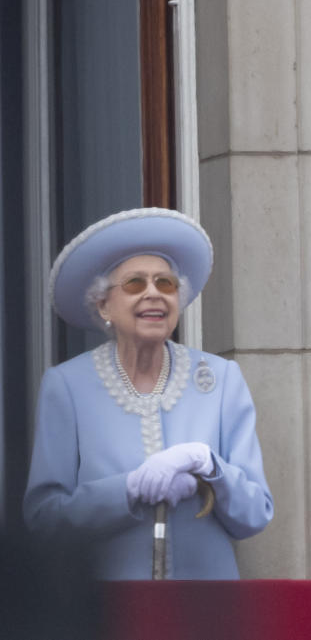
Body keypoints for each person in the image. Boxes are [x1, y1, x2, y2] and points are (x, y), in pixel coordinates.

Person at [23, 208, 274, 579]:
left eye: (166, 283)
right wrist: (127, 490)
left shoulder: (221, 379)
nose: (154, 294)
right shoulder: (67, 386)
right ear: (103, 304)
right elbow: (45, 518)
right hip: (108, 612)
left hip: (208, 609)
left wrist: (211, 467)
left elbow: (256, 514)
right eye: (135, 284)